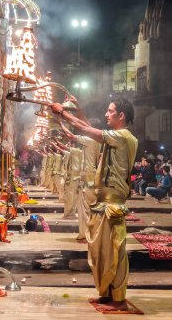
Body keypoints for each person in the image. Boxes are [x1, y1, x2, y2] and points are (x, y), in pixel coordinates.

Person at [50, 97, 138, 312]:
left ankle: (119, 299)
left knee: (115, 252)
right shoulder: (114, 137)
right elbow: (87, 127)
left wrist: (63, 112)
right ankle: (107, 294)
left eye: (110, 111)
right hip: (102, 203)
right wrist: (74, 111)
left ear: (121, 116)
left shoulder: (123, 136)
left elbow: (86, 129)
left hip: (112, 205)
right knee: (102, 253)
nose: (107, 115)